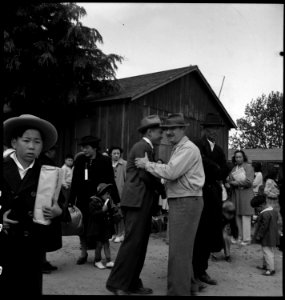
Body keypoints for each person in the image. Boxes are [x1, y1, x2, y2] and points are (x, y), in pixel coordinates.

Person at [135, 113, 205, 296]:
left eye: (173, 129)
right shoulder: (180, 148)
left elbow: (171, 172)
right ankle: (189, 286)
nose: (168, 133)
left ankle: (178, 292)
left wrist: (146, 164)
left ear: (183, 129)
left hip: (186, 200)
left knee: (178, 251)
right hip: (185, 200)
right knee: (183, 248)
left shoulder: (188, 149)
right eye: (166, 129)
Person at [1, 114, 63, 295]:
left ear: (42, 146)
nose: (31, 146)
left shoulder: (49, 171)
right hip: (5, 242)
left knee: (30, 286)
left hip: (33, 245)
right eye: (26, 140)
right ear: (14, 142)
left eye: (37, 142)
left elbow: (61, 203)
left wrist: (58, 211)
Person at [106, 115, 165, 295]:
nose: (162, 134)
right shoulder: (142, 147)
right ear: (149, 131)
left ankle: (131, 283)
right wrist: (163, 189)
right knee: (133, 244)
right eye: (159, 131)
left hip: (142, 201)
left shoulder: (148, 147)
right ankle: (117, 284)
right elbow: (146, 175)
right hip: (137, 202)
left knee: (139, 244)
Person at [69, 135, 120, 265]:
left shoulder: (104, 160)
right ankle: (83, 252)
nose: (83, 150)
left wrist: (116, 200)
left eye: (86, 147)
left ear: (94, 148)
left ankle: (99, 256)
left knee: (100, 227)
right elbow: (74, 181)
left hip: (98, 201)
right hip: (82, 199)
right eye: (82, 147)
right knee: (83, 227)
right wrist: (70, 200)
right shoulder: (80, 160)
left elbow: (110, 181)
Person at [192, 112, 229, 286]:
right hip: (199, 192)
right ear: (205, 129)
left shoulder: (220, 150)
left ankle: (202, 270)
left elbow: (223, 171)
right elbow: (203, 163)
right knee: (198, 232)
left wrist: (218, 169)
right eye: (211, 128)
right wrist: (215, 167)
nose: (214, 131)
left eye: (216, 128)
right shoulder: (197, 145)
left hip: (213, 194)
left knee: (209, 232)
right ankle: (192, 272)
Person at [226, 150, 255, 246]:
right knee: (237, 215)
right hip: (236, 194)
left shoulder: (248, 167)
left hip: (246, 193)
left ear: (244, 157)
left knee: (245, 216)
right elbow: (230, 179)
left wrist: (235, 183)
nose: (238, 158)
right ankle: (239, 236)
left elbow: (249, 181)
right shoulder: (234, 168)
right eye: (237, 157)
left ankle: (246, 239)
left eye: (240, 157)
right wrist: (229, 182)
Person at [86, 183, 116, 269]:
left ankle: (108, 260)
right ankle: (97, 260)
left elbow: (109, 212)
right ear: (101, 193)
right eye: (106, 193)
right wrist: (102, 211)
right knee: (99, 245)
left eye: (109, 193)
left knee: (106, 243)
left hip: (105, 227)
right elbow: (93, 214)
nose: (108, 195)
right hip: (98, 228)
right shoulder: (93, 202)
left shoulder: (107, 202)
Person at [251, 193, 280, 276]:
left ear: (261, 205)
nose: (257, 210)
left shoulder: (265, 213)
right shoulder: (272, 211)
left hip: (266, 236)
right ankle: (266, 265)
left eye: (257, 208)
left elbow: (264, 226)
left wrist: (259, 235)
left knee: (267, 252)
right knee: (267, 251)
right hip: (272, 235)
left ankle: (270, 269)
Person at [109, 146, 127, 243]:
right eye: (114, 153)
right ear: (110, 154)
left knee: (120, 214)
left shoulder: (124, 164)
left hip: (120, 192)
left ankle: (121, 234)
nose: (116, 155)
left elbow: (127, 179)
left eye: (118, 153)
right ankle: (114, 233)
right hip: (110, 192)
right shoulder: (108, 163)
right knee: (112, 213)